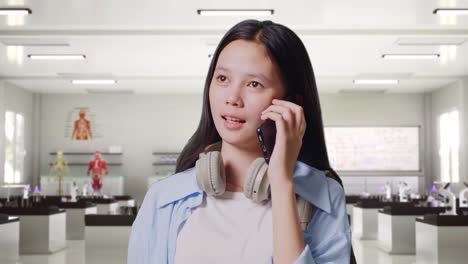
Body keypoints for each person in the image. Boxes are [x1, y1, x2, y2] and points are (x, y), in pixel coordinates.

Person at [128, 19, 351, 264]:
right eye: (222, 78)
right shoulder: (163, 198)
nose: (232, 97)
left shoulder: (324, 197)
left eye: (254, 84)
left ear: (290, 104)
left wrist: (281, 181)